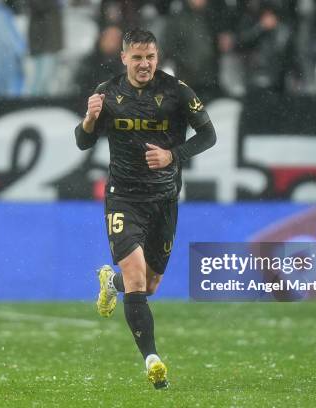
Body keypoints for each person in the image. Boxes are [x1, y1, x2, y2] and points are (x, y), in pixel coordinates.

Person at [74, 28, 216, 389]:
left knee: (150, 285)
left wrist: (172, 155)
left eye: (150, 57)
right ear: (124, 58)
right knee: (138, 278)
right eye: (137, 57)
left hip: (164, 200)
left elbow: (208, 135)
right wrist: (89, 120)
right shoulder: (106, 93)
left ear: (158, 57)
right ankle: (152, 360)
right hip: (123, 197)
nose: (144, 64)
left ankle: (111, 282)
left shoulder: (177, 92)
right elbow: (82, 141)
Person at [75, 24, 124, 96]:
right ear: (101, 39)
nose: (112, 42)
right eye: (109, 38)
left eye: (116, 38)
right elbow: (82, 90)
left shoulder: (126, 64)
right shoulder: (89, 63)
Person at [28, 0, 64, 96]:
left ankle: (42, 104)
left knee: (48, 79)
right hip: (42, 44)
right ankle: (35, 105)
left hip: (50, 44)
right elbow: (40, 7)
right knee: (41, 79)